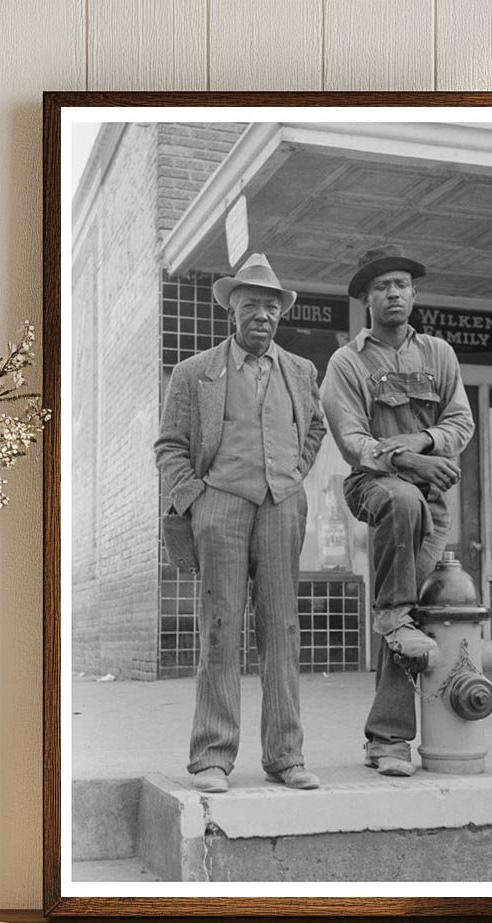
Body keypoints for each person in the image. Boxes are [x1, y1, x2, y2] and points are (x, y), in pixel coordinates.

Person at [154, 253, 327, 793]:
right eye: (251, 304)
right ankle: (211, 756)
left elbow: (316, 427)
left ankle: (286, 756)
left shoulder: (301, 371)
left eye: (271, 307)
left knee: (283, 629)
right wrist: (196, 499)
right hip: (221, 505)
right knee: (220, 629)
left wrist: (296, 473)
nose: (262, 316)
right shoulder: (193, 373)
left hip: (282, 506)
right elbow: (169, 447)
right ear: (232, 310)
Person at [320, 245, 475, 777]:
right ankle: (390, 617)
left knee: (406, 612)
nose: (393, 293)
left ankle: (385, 742)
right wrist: (408, 459)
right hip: (374, 489)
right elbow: (352, 440)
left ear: (414, 294)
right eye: (382, 286)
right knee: (400, 504)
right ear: (366, 298)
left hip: (431, 503)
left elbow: (461, 424)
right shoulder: (348, 362)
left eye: (402, 285)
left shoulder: (439, 355)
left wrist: (427, 442)